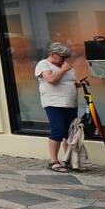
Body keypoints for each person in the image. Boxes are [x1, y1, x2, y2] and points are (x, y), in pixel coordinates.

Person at [37, 42, 80, 172]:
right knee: (58, 129)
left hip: (70, 103)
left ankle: (68, 159)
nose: (64, 60)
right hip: (53, 103)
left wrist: (77, 83)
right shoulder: (43, 64)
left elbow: (68, 81)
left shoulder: (65, 66)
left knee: (70, 132)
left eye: (66, 57)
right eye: (63, 57)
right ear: (53, 55)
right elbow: (51, 80)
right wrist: (63, 69)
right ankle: (53, 161)